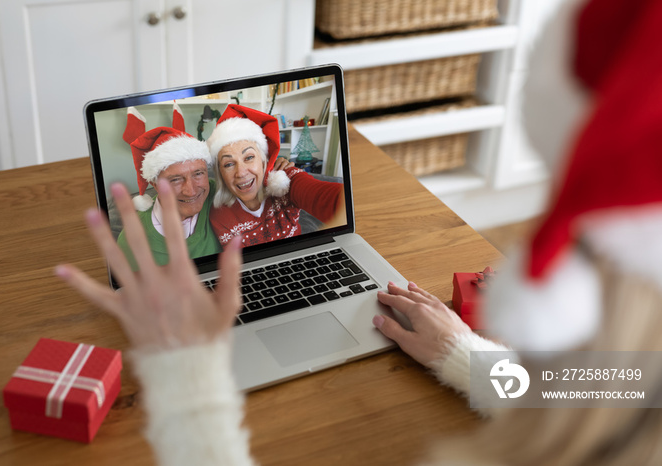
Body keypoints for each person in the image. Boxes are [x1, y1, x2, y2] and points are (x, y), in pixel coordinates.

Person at [55, 0, 662, 464]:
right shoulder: (630, 381)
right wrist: (471, 360)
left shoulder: (289, 188)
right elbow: (613, 384)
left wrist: (187, 383)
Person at [206, 104, 344, 246]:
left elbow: (330, 199)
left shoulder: (285, 179)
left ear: (263, 159)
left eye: (249, 158)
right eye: (228, 164)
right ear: (220, 173)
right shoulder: (220, 215)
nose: (241, 172)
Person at [116, 126, 222, 269]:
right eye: (175, 179)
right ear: (155, 184)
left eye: (198, 174)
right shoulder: (132, 240)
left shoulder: (218, 194)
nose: (190, 191)